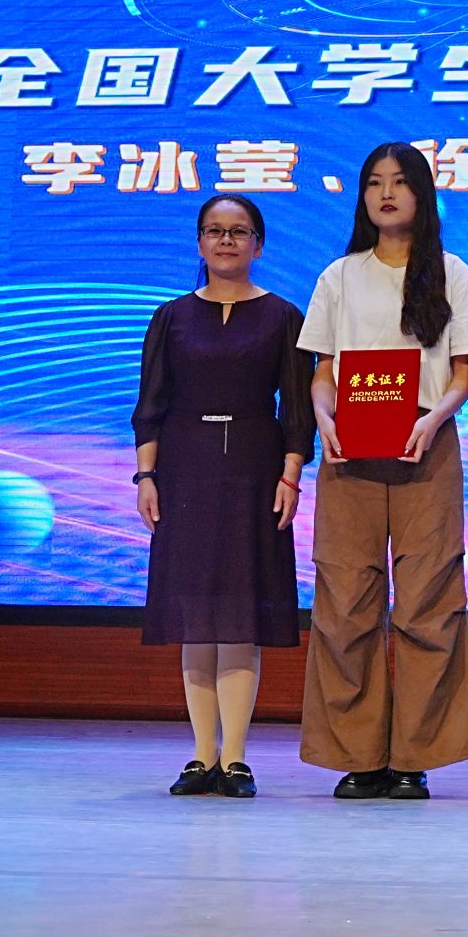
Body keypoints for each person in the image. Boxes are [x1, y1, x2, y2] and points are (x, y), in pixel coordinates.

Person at [297, 142, 468, 801]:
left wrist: (432, 422)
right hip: (349, 452)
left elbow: (463, 372)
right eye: (374, 182)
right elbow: (323, 371)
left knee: (429, 603)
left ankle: (414, 755)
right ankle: (359, 755)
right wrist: (325, 419)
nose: (385, 193)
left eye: (399, 182)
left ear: (422, 194)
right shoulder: (339, 275)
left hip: (425, 445)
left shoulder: (452, 273)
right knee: (345, 603)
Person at [132, 196, 313, 798]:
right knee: (196, 616)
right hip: (185, 470)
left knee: (239, 614)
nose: (227, 241)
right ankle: (200, 756)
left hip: (256, 472)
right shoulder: (171, 317)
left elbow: (297, 409)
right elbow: (150, 403)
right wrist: (145, 477)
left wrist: (290, 475)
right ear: (199, 243)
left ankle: (234, 758)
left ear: (258, 243)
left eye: (239, 231)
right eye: (215, 231)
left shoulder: (284, 316)